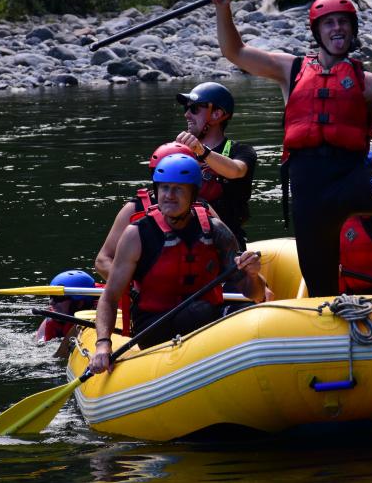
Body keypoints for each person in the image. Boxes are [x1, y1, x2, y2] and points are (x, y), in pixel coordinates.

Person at [208, 0, 372, 312]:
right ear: (317, 31)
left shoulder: (367, 82)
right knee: (322, 293)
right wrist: (223, 8)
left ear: (353, 29)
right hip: (310, 194)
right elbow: (235, 51)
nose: (337, 29)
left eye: (343, 22)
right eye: (329, 23)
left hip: (352, 180)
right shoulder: (291, 69)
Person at [89, 154, 267, 373]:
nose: (169, 196)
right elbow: (110, 297)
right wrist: (103, 345)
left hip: (205, 317)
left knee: (248, 311)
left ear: (193, 194)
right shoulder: (136, 234)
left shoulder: (216, 230)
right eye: (164, 188)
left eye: (178, 189)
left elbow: (256, 293)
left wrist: (252, 275)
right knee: (198, 311)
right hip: (154, 325)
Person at [94, 141, 196, 280]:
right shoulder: (134, 208)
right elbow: (102, 260)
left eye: (180, 184)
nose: (170, 193)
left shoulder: (202, 209)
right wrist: (129, 285)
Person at [174, 82, 257, 250]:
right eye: (186, 109)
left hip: (227, 244)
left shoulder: (241, 151)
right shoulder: (178, 152)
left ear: (217, 114)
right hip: (183, 242)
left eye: (194, 109)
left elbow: (236, 170)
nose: (187, 115)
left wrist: (201, 151)